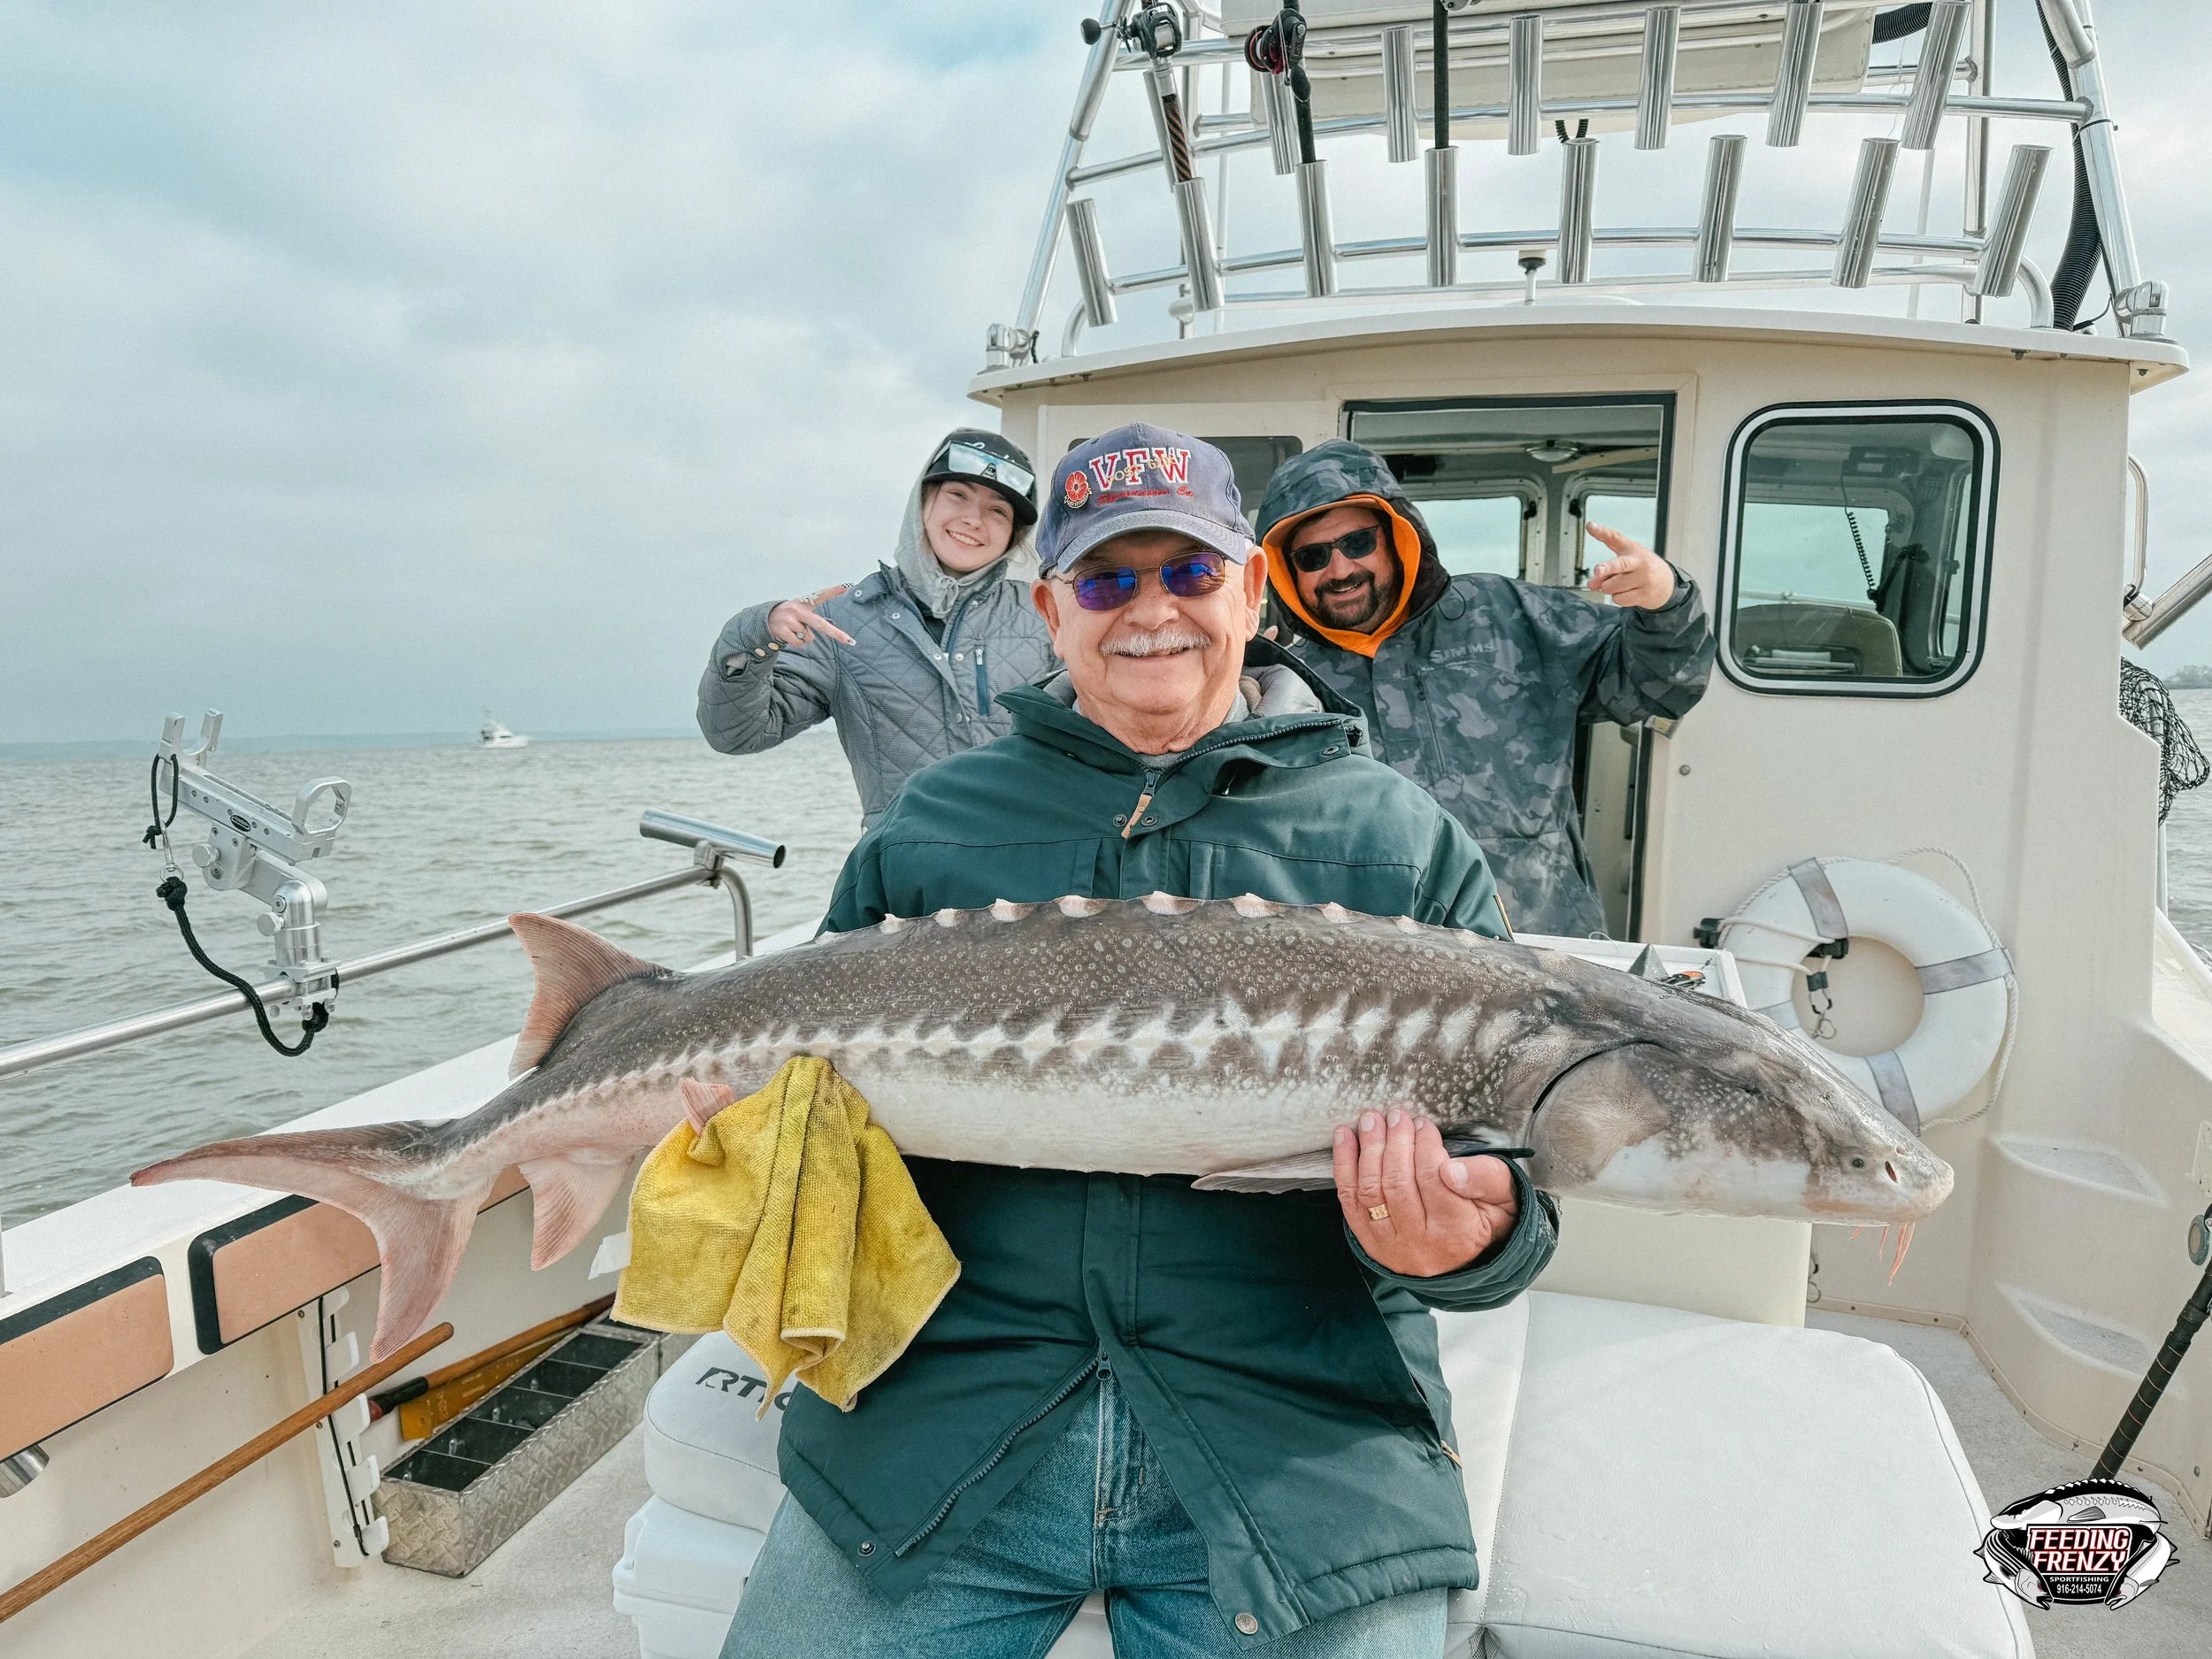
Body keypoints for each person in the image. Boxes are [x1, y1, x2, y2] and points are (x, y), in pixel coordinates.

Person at [722, 424, 1559, 1658]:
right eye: (1109, 579)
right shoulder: (931, 825)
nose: (1150, 610)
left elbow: (1517, 1171)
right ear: (1051, 607)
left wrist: (1470, 1235)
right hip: (948, 1413)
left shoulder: (1403, 841)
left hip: (1294, 1435)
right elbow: (816, 1119)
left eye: (1191, 571)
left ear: (1254, 591)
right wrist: (740, 1139)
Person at [1255, 441, 1716, 938]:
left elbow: (1661, 688)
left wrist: (1666, 601)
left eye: (1358, 543)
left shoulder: (1509, 615)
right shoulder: (1286, 680)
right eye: (1312, 556)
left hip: (1539, 945)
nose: (1340, 569)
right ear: (1287, 572)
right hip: (1379, 963)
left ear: (1395, 537)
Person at [697, 428, 1057, 826]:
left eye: (998, 511)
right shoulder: (839, 621)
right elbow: (735, 734)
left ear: (1013, 535)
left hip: (1035, 866)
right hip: (904, 872)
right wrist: (756, 635)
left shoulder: (1045, 610)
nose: (973, 520)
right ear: (922, 502)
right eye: (958, 495)